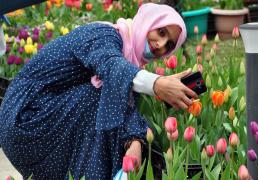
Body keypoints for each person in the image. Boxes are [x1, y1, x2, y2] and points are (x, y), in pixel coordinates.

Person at [0, 3, 197, 179]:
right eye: (161, 32)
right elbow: (111, 67)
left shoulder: (130, 61)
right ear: (147, 22)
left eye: (170, 44)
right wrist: (157, 84)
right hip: (23, 117)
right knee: (98, 95)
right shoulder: (104, 35)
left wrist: (134, 141)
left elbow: (121, 98)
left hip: (45, 122)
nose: (161, 45)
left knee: (111, 102)